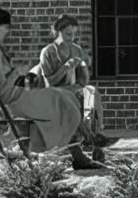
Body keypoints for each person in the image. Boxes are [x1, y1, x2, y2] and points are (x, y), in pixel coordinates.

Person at [0, 6, 103, 169]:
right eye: (5, 27)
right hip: (7, 103)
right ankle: (82, 149)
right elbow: (3, 88)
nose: (7, 32)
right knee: (62, 98)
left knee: (61, 97)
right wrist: (18, 72)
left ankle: (81, 150)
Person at [36, 14, 108, 162]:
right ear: (58, 32)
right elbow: (49, 82)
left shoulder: (76, 50)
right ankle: (89, 139)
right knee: (67, 98)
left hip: (73, 88)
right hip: (54, 91)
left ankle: (96, 137)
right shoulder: (48, 52)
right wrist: (64, 68)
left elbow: (83, 77)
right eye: (68, 33)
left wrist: (81, 75)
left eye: (74, 33)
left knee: (92, 92)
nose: (72, 37)